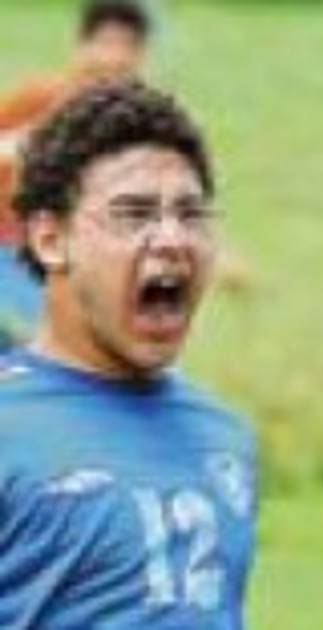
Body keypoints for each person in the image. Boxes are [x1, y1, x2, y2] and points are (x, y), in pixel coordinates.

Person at [0, 81, 256, 628]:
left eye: (191, 215)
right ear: (50, 239)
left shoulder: (225, 437)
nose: (172, 239)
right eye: (133, 214)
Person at [0, 0, 151, 348]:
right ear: (82, 47)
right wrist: (20, 146)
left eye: (126, 46)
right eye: (105, 43)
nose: (113, 58)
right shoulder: (42, 99)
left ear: (141, 57)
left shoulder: (138, 125)